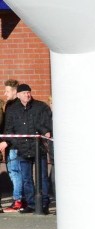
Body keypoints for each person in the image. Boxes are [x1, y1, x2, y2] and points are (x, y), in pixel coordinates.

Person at [0, 83, 52, 213]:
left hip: (39, 148)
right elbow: (9, 130)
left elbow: (47, 125)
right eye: (24, 93)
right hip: (22, 149)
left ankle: (44, 203)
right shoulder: (13, 110)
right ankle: (31, 204)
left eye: (29, 92)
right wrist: (15, 143)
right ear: (18, 95)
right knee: (26, 178)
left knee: (42, 177)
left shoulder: (41, 107)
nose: (27, 95)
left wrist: (44, 131)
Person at [1, 79, 22, 212]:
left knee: (15, 172)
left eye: (7, 91)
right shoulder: (8, 105)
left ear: (15, 91)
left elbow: (14, 127)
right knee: (12, 171)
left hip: (15, 144)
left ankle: (18, 200)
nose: (5, 93)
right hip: (9, 143)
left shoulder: (18, 106)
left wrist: (7, 141)